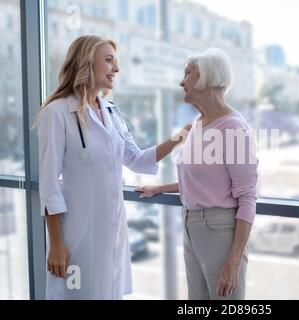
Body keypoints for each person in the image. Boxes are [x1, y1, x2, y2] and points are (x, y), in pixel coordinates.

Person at [38, 35, 190, 300]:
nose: (116, 69)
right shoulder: (58, 113)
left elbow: (137, 159)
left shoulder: (112, 111)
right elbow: (49, 185)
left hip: (113, 229)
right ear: (86, 63)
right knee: (78, 295)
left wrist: (179, 137)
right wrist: (57, 245)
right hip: (77, 233)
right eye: (109, 60)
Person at [136, 48, 258, 300]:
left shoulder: (234, 128)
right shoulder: (197, 126)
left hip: (220, 231)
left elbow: (247, 197)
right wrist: (158, 188)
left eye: (188, 74)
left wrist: (233, 261)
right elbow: (201, 183)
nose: (182, 81)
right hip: (191, 225)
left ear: (207, 77)